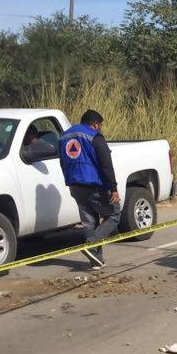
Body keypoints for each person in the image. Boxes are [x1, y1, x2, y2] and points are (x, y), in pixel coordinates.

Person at [59, 109, 120, 269]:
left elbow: (62, 162)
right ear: (95, 124)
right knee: (114, 215)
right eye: (100, 125)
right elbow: (106, 163)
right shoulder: (94, 136)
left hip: (74, 185)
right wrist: (113, 187)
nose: (100, 128)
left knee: (89, 222)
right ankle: (91, 245)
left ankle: (96, 260)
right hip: (94, 185)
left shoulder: (64, 136)